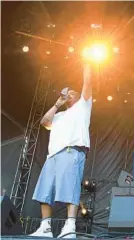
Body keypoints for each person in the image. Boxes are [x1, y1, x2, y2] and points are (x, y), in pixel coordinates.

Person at [29, 63, 92, 239]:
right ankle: (45, 227)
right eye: (67, 93)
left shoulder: (83, 106)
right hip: (53, 155)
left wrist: (87, 63)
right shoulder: (58, 115)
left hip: (72, 151)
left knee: (70, 188)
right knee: (45, 190)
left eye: (72, 93)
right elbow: (44, 122)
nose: (68, 95)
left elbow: (87, 84)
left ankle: (70, 226)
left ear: (78, 96)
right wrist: (57, 104)